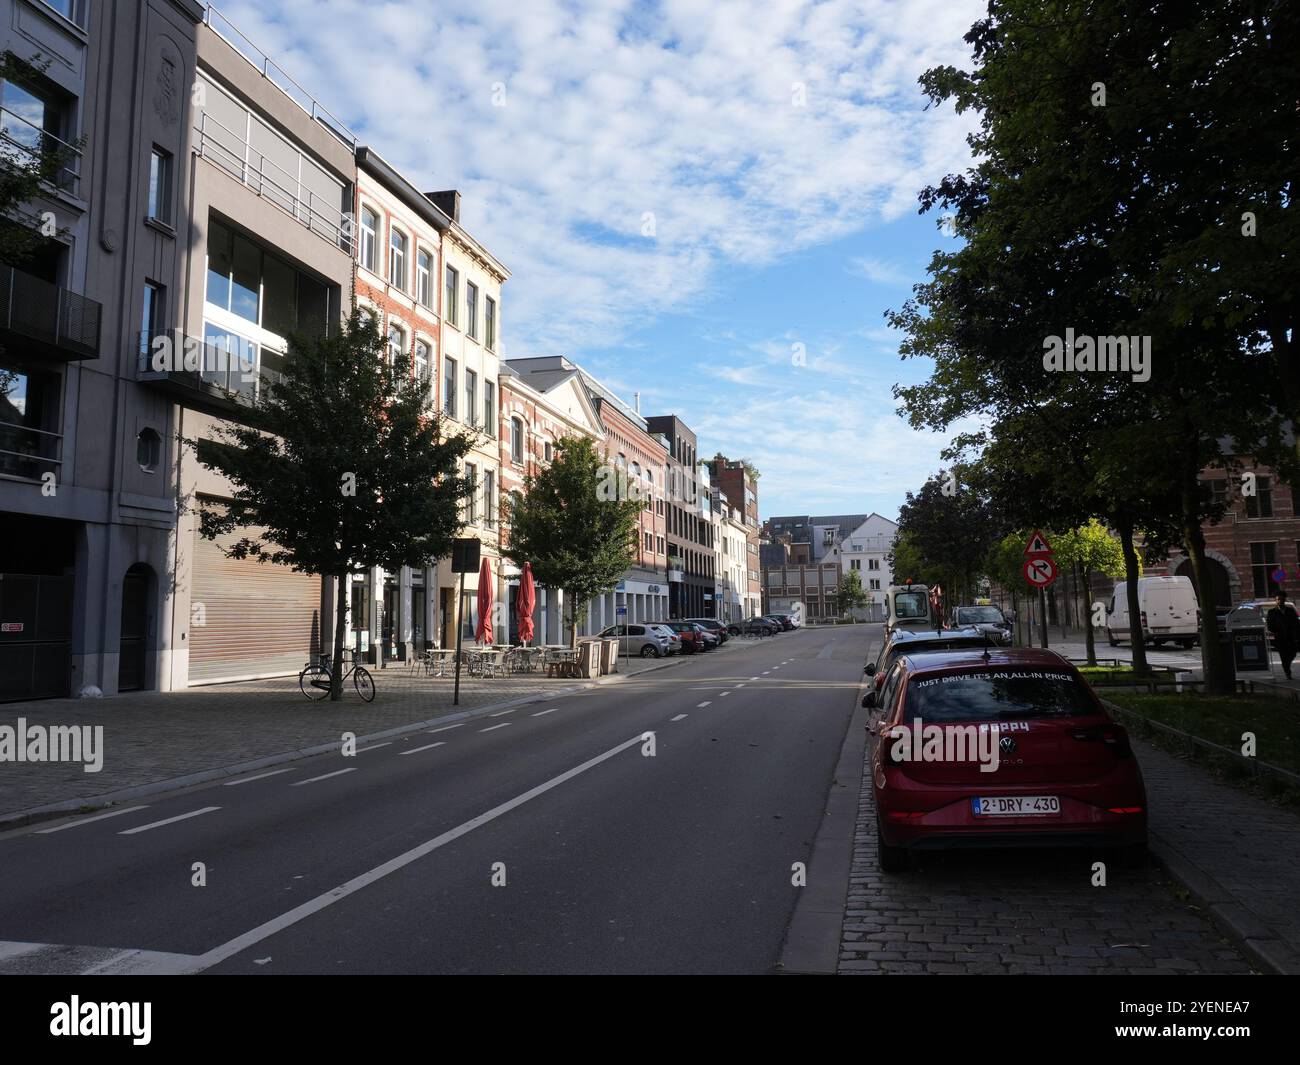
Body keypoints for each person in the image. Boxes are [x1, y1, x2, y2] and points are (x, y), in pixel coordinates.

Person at [1266, 591, 1300, 679]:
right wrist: (1276, 631)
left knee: (1293, 653)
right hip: (1280, 638)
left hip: (1291, 637)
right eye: (1278, 599)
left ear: (1284, 599)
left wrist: (1296, 634)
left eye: (1281, 599)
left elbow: (1297, 623)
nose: (1279, 601)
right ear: (1275, 601)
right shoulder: (1272, 612)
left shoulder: (1290, 610)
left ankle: (1287, 665)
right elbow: (1270, 625)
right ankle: (1287, 672)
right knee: (1283, 655)